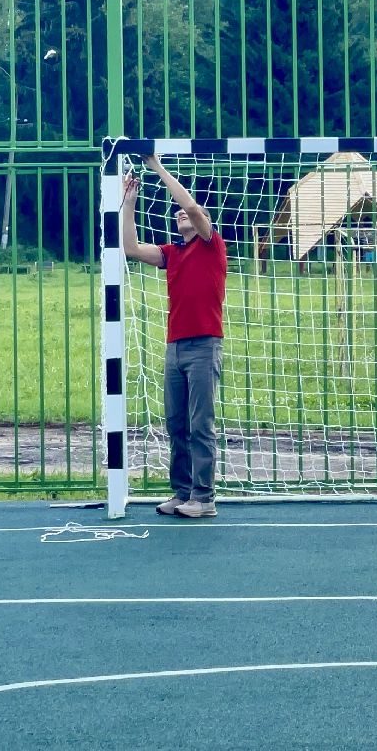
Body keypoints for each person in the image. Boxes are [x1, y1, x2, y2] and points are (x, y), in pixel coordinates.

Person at [120, 154, 227, 519]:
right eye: (176, 214)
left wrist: (157, 168)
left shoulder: (212, 246)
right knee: (176, 423)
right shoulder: (172, 253)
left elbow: (194, 208)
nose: (180, 214)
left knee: (200, 423)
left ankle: (205, 497)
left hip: (204, 345)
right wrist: (129, 204)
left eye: (186, 214)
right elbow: (131, 249)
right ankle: (183, 492)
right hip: (175, 348)